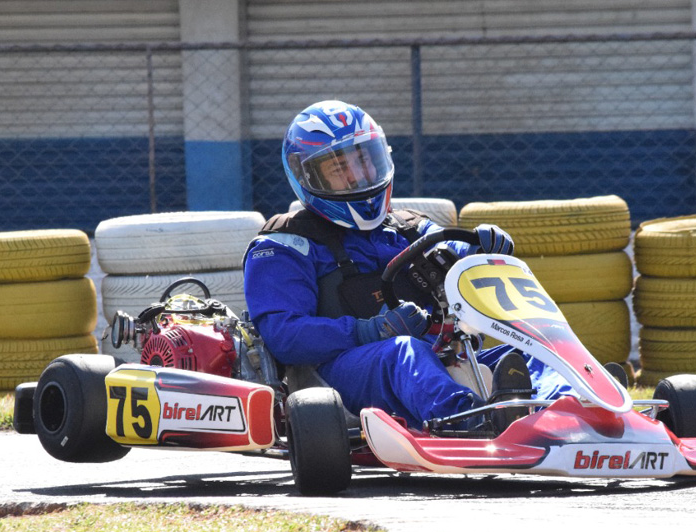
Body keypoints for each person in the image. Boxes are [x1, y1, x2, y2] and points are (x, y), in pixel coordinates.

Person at [242, 100, 570, 431]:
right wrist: (368, 331)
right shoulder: (285, 245)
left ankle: (573, 409)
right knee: (403, 351)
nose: (359, 177)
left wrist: (479, 248)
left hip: (439, 358)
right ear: (307, 175)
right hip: (339, 375)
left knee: (535, 351)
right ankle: (470, 422)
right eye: (340, 169)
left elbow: (448, 249)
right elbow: (283, 336)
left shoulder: (406, 227)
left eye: (364, 160)